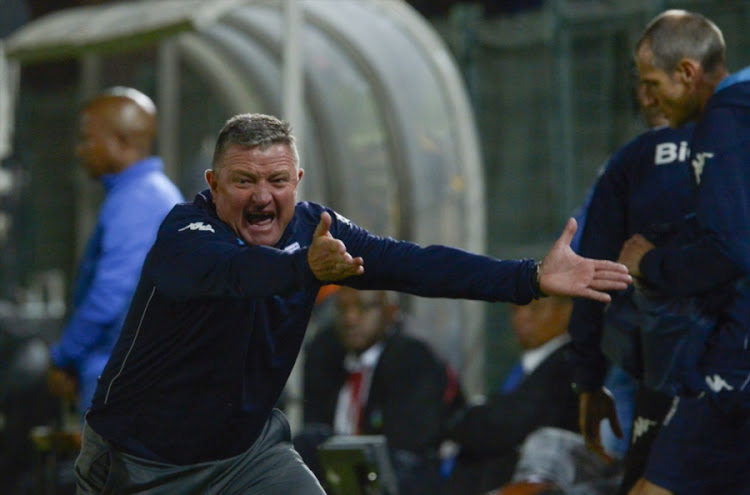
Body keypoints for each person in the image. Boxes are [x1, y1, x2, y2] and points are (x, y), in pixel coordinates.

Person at [74, 112, 630, 494]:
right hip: (139, 463)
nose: (262, 196)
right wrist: (303, 270)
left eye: (276, 180)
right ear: (213, 184)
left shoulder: (317, 230)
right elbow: (233, 274)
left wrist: (530, 277)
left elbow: (415, 263)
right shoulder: (184, 233)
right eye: (244, 181)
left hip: (243, 456)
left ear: (298, 180)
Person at [618, 10, 750, 495]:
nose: (647, 98)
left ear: (688, 73)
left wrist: (650, 264)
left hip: (739, 362)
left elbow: (734, 250)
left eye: (653, 83)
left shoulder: (725, 120)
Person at [567, 75, 695, 493]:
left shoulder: (628, 163)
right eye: (638, 82)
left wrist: (588, 377)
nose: (644, 94)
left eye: (652, 81)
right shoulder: (733, 149)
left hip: (654, 359)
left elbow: (588, 273)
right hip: (721, 361)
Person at [46, 87, 184, 417]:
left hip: (120, 375)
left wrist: (64, 356)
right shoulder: (144, 193)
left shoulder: (139, 200)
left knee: (107, 469)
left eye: (86, 139)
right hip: (127, 372)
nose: (81, 151)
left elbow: (109, 296)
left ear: (121, 142)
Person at [294, 286, 463, 495]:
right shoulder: (326, 352)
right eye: (342, 309)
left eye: (362, 308)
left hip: (399, 476)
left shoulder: (414, 357)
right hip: (337, 474)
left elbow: (409, 449)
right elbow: (315, 427)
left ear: (390, 310)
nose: (350, 319)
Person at [444, 296, 579, 494]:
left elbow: (506, 425)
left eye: (535, 309)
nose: (522, 317)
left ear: (568, 311)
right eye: (515, 309)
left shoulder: (567, 366)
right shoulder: (525, 369)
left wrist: (469, 417)